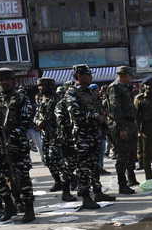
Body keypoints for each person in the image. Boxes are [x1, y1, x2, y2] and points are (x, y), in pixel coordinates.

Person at [0, 68, 36, 222]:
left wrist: (11, 135)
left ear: (13, 81)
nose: (4, 83)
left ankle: (29, 209)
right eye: (0, 81)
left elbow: (26, 121)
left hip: (17, 144)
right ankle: (9, 206)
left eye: (7, 80)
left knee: (22, 177)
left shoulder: (21, 98)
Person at [65, 64, 116, 210]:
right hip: (82, 136)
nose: (90, 77)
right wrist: (95, 117)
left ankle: (98, 192)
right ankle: (86, 197)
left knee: (95, 166)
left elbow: (100, 109)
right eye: (87, 75)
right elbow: (76, 115)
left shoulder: (91, 92)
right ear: (78, 76)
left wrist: (104, 119)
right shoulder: (72, 93)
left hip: (95, 134)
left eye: (90, 74)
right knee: (84, 168)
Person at [105, 66, 139, 195]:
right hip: (121, 125)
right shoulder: (114, 87)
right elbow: (115, 110)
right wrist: (122, 128)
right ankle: (122, 184)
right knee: (122, 155)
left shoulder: (125, 87)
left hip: (130, 123)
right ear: (123, 75)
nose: (131, 78)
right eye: (130, 75)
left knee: (131, 153)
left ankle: (131, 178)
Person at [33, 77, 67, 196]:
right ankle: (57, 181)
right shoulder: (42, 100)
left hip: (57, 135)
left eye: (42, 86)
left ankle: (66, 183)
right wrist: (38, 123)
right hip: (45, 135)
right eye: (39, 86)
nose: (40, 88)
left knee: (58, 160)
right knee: (48, 160)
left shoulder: (58, 100)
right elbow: (36, 116)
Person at [54, 82, 78, 200]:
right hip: (67, 140)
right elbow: (61, 123)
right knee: (68, 167)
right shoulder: (61, 104)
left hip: (79, 139)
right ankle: (66, 192)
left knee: (83, 165)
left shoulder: (76, 102)